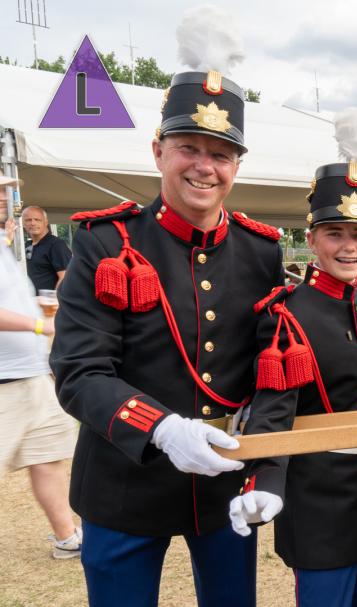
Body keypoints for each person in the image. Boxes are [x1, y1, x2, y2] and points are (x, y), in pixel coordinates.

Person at [50, 12, 284, 605]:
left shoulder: (261, 251)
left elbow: (273, 372)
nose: (204, 166)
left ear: (237, 165)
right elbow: (79, 373)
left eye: (221, 153)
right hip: (124, 481)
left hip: (224, 486)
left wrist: (268, 469)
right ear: (158, 151)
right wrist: (161, 427)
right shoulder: (108, 242)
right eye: (189, 147)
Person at [228, 108, 357, 606]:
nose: (350, 247)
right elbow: (272, 409)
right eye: (335, 234)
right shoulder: (288, 315)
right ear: (311, 239)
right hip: (319, 501)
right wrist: (264, 475)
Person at [1, 181, 81, 560]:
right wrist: (39, 325)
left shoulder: (5, 246)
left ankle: (69, 536)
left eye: (6, 192)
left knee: (48, 457)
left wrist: (35, 307)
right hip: (4, 382)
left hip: (32, 374)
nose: (5, 198)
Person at [21, 205, 72, 292]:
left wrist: (53, 300)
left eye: (37, 220)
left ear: (46, 222)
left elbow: (65, 277)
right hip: (29, 301)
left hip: (47, 303)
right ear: (23, 224)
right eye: (28, 220)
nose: (33, 223)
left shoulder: (56, 245)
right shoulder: (26, 245)